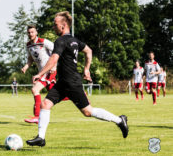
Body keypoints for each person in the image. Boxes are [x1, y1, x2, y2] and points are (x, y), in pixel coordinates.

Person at [26, 11, 128, 147]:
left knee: (88, 111)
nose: (53, 27)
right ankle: (41, 138)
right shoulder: (74, 40)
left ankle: (119, 120)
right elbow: (89, 51)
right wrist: (86, 69)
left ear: (63, 25)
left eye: (55, 24)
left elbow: (53, 59)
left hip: (72, 82)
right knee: (45, 104)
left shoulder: (60, 41)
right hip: (62, 82)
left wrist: (40, 74)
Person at [21, 24, 57, 124]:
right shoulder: (28, 45)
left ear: (36, 32)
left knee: (35, 89)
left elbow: (57, 51)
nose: (30, 34)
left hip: (49, 70)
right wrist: (25, 67)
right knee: (57, 94)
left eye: (32, 32)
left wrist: (53, 66)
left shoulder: (43, 42)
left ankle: (37, 116)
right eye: (28, 32)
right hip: (41, 72)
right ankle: (80, 94)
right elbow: (30, 59)